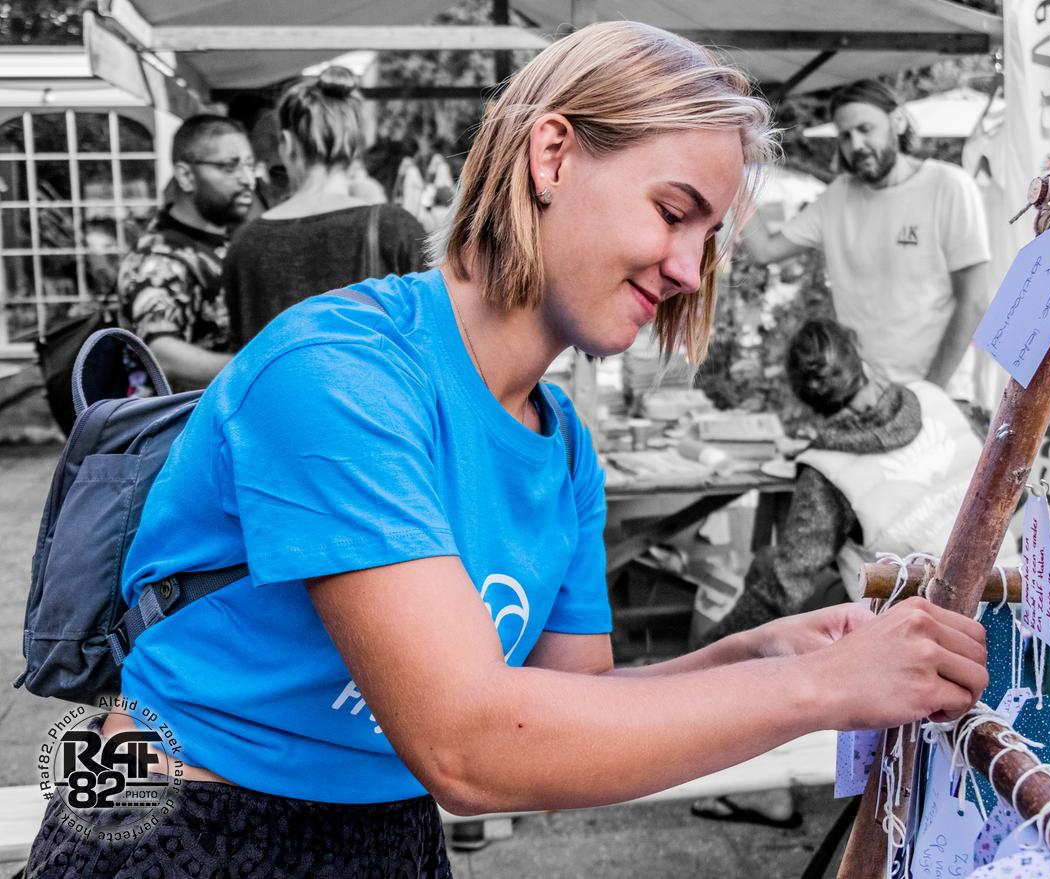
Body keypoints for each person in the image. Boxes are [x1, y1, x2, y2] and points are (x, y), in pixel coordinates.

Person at [28, 23, 988, 878]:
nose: (691, 270)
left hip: (386, 830)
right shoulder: (338, 370)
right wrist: (817, 688)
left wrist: (756, 652)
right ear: (553, 155)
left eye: (709, 238)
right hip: (182, 823)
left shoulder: (561, 447)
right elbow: (471, 745)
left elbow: (569, 712)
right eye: (673, 211)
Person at [699, 318, 1018, 644]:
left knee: (769, 566)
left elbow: (786, 587)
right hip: (1011, 598)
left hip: (920, 635)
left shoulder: (826, 470)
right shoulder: (934, 397)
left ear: (805, 397)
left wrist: (705, 654)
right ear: (859, 355)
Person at [739, 80, 991, 402]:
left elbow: (973, 300)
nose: (856, 144)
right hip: (864, 397)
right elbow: (764, 250)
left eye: (865, 129)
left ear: (898, 121)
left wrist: (930, 394)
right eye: (845, 135)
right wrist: (731, 170)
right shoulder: (837, 197)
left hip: (941, 395)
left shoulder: (948, 186)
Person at [222, 66, 426, 348]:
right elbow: (430, 334)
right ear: (354, 146)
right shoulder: (395, 228)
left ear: (287, 144)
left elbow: (244, 353)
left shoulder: (246, 243)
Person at [117, 114, 255, 391]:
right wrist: (259, 369)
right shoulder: (159, 258)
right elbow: (163, 355)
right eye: (229, 167)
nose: (247, 179)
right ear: (186, 176)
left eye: (250, 165)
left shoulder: (224, 241)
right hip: (177, 418)